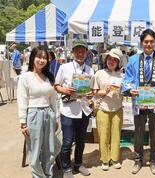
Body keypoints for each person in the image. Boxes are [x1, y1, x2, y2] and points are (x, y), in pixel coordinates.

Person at [122, 29, 155, 175]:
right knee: (138, 132)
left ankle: (153, 160)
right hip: (139, 101)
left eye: (151, 41)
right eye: (146, 41)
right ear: (141, 43)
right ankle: (138, 159)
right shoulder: (133, 60)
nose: (149, 44)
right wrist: (130, 89)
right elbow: (127, 78)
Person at [54, 39, 94, 178]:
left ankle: (78, 164)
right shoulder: (64, 67)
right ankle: (66, 168)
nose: (80, 53)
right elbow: (56, 85)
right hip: (68, 111)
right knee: (67, 141)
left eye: (83, 51)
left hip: (84, 110)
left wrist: (91, 94)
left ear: (87, 53)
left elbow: (92, 90)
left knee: (81, 140)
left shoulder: (90, 69)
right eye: (77, 50)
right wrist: (65, 90)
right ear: (73, 52)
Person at [17, 46, 58, 178]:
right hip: (33, 114)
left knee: (50, 148)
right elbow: (22, 100)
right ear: (32, 58)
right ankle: (38, 176)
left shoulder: (48, 77)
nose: (41, 60)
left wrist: (55, 117)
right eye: (39, 57)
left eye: (44, 58)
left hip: (49, 113)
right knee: (34, 149)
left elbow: (53, 99)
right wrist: (23, 122)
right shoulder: (25, 77)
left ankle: (48, 173)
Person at [92, 48, 124, 171]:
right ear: (106, 60)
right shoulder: (99, 73)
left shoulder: (122, 75)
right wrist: (104, 91)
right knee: (103, 135)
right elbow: (94, 91)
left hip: (117, 108)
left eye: (115, 60)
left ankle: (114, 159)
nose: (111, 61)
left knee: (116, 135)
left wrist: (122, 91)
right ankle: (104, 160)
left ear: (118, 63)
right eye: (110, 59)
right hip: (102, 108)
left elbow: (125, 92)